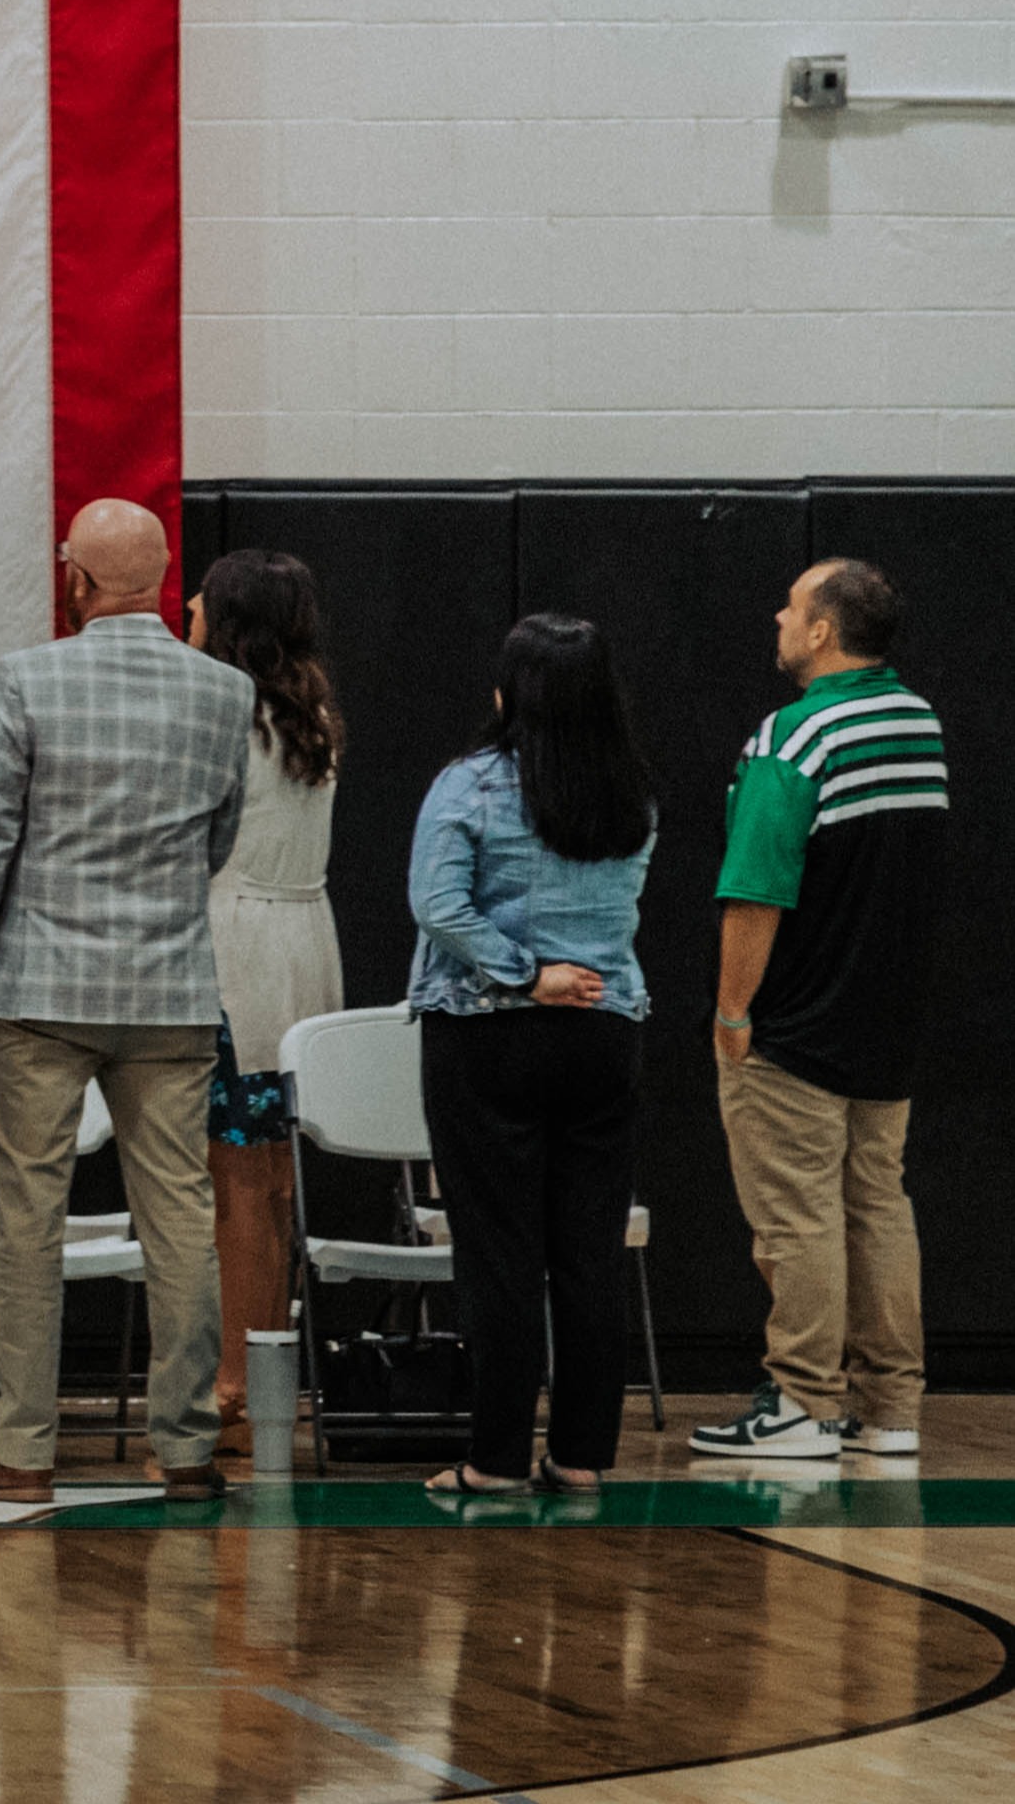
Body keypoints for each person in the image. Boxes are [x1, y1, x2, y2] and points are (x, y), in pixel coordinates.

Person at [0, 498, 250, 1503]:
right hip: (168, 990)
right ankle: (186, 1448)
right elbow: (217, 838)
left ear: (72, 578)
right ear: (157, 575)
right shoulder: (223, 691)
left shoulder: (29, 677)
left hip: (41, 988)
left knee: (29, 1216)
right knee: (180, 1218)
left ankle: (18, 1451)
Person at [695, 557, 950, 1467]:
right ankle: (891, 1410)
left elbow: (756, 890)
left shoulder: (793, 739)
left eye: (792, 606)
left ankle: (801, 1400)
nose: (777, 615)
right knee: (878, 1207)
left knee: (796, 1219)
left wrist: (732, 1014)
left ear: (822, 633)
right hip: (890, 1022)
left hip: (797, 1024)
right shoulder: (917, 722)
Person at [406, 614, 655, 1498]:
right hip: (605, 1031)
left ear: (508, 696)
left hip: (488, 1035)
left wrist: (522, 972)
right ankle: (583, 1454)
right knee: (589, 1250)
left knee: (500, 1250)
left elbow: (436, 906)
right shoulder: (632, 795)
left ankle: (497, 1457)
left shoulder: (470, 785)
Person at [186, 547, 346, 1443]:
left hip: (235, 952)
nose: (189, 617)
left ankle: (240, 1386)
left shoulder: (224, 714)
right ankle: (263, 1369)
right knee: (272, 1182)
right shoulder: (312, 708)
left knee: (239, 1182)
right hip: (301, 948)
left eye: (202, 607)